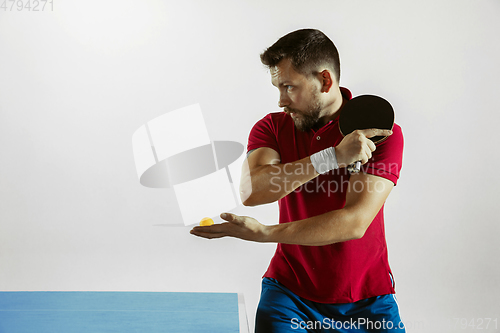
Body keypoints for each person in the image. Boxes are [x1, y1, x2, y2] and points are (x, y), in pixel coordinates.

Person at [190, 28, 404, 332]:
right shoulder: (271, 128)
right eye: (278, 87)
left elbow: (354, 222)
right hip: (289, 297)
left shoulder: (379, 133)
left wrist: (265, 233)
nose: (281, 100)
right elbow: (253, 191)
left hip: (368, 298)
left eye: (289, 87)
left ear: (325, 81)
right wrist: (331, 157)